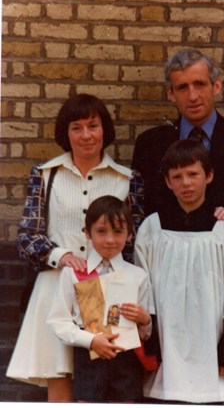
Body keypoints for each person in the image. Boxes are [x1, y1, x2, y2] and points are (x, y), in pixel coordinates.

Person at [6, 94, 144, 402]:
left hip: (109, 292)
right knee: (61, 371)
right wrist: (61, 255)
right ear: (65, 133)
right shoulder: (46, 174)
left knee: (106, 380)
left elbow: (134, 241)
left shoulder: (126, 178)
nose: (85, 135)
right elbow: (28, 235)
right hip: (58, 286)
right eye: (76, 127)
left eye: (93, 126)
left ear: (104, 129)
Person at [134, 140, 224, 405]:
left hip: (215, 349)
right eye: (177, 176)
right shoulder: (152, 228)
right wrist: (152, 347)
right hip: (167, 345)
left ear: (208, 176)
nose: (186, 183)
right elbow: (143, 291)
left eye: (193, 174)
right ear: (167, 182)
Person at [132, 48, 224, 242]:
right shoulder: (149, 143)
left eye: (199, 84)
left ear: (216, 86)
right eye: (182, 87)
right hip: (168, 256)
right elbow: (139, 209)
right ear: (171, 94)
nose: (193, 96)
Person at [47, 195, 153, 403]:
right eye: (101, 231)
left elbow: (145, 333)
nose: (110, 239)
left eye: (118, 231)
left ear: (130, 235)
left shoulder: (138, 275)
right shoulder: (74, 274)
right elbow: (58, 321)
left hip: (127, 358)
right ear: (87, 233)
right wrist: (92, 340)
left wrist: (145, 320)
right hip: (89, 355)